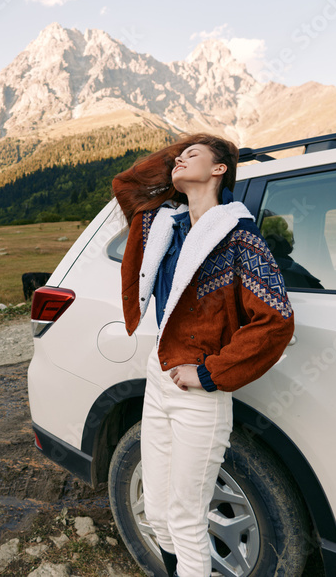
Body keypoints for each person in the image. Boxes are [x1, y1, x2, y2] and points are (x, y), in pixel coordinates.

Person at [112, 134, 295, 577]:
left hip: (199, 394)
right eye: (177, 156)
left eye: (192, 156)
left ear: (218, 171)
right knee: (155, 513)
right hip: (158, 379)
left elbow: (276, 320)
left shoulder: (238, 238)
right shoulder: (160, 224)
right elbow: (128, 184)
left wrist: (211, 372)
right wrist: (187, 151)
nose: (178, 159)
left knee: (185, 518)